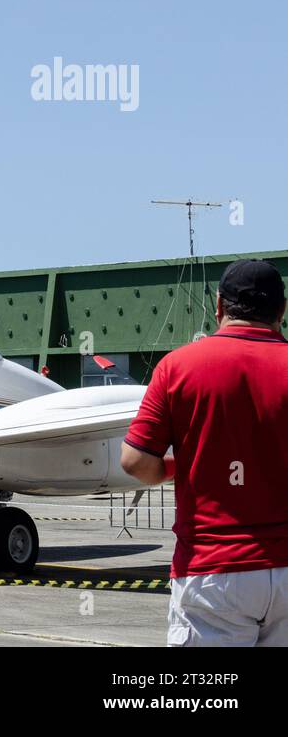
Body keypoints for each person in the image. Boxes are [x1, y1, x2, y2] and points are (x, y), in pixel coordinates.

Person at [122, 259, 288, 647]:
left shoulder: (178, 367)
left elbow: (134, 461)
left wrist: (182, 466)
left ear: (218, 307)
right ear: (281, 311)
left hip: (213, 570)